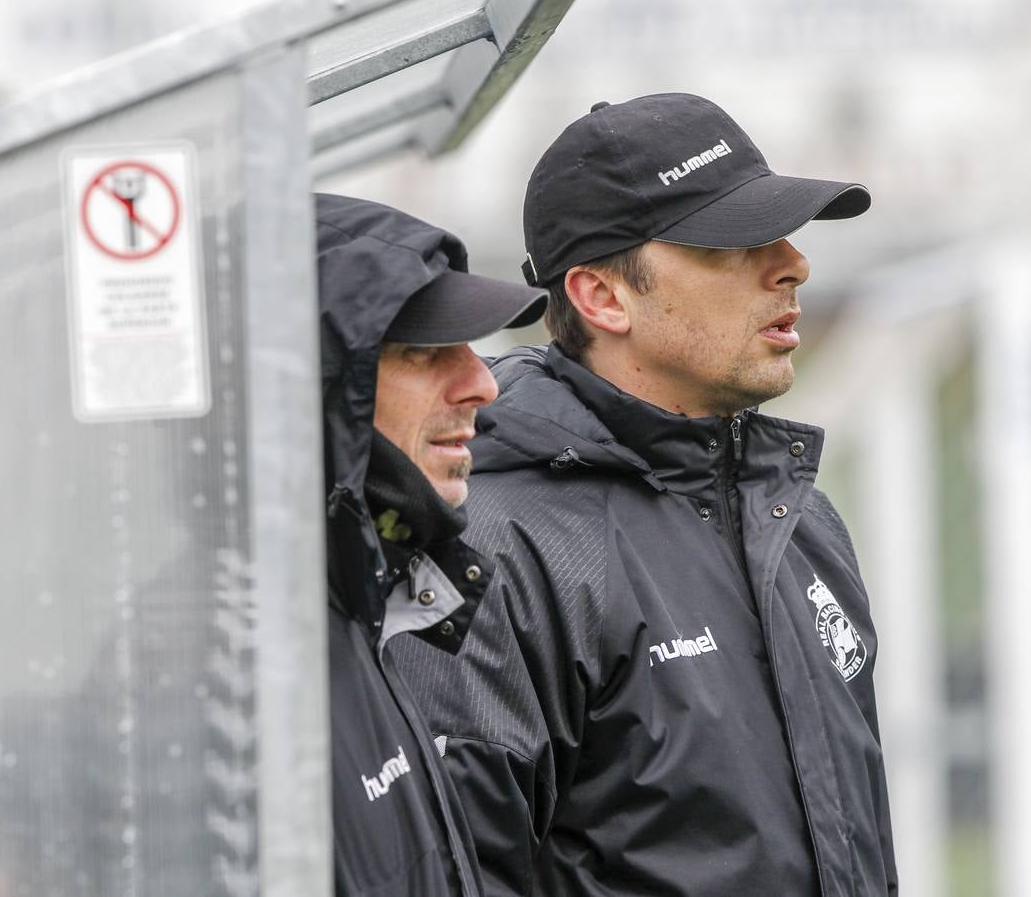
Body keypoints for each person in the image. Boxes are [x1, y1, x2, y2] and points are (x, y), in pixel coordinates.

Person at [388, 93, 898, 895]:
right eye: (732, 244)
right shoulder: (489, 549)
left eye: (785, 234)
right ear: (601, 296)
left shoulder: (799, 520)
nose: (792, 264)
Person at [314, 193, 546, 895]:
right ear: (315, 388)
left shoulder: (358, 610)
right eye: (422, 351)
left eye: (471, 349)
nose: (480, 383)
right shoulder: (230, 661)